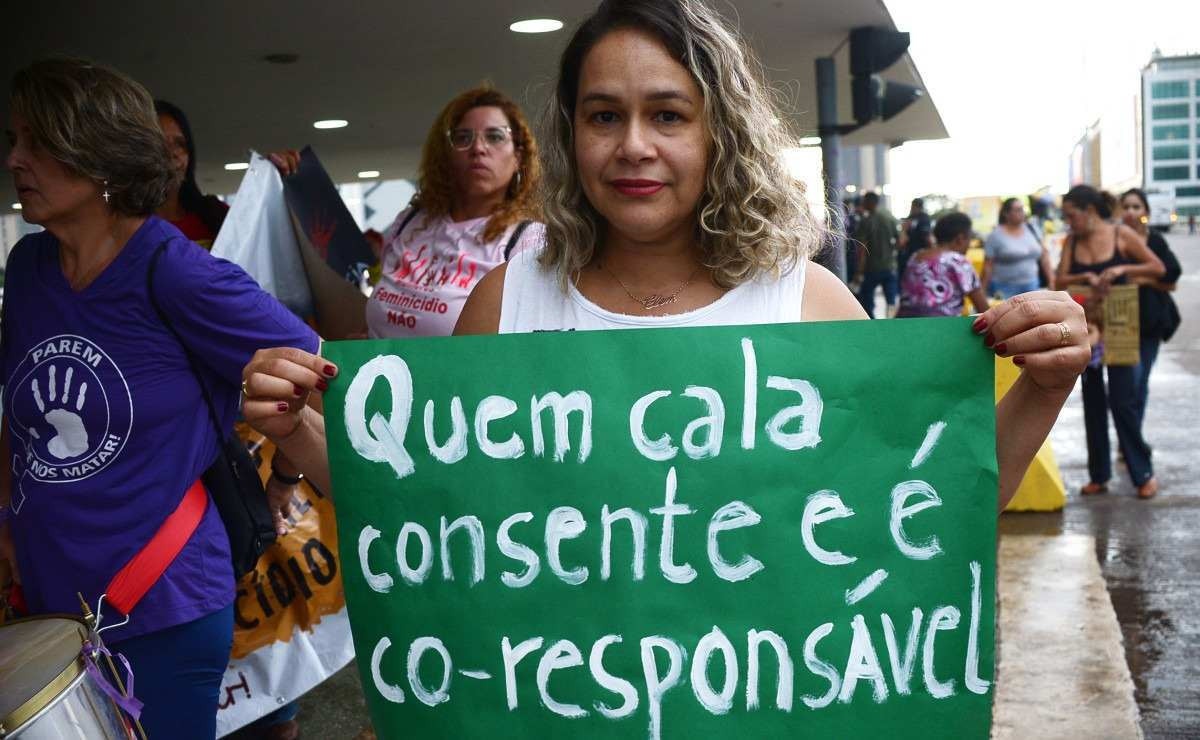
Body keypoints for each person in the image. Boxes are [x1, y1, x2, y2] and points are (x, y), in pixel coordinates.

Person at [239, 0, 1088, 519]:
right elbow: (441, 514)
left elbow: (929, 511)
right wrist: (306, 440)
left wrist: (1044, 388)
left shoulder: (809, 305)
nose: (634, 146)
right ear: (572, 135)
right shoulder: (510, 303)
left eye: (669, 115)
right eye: (604, 115)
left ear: (720, 131)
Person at [0, 58, 317, 738]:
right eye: (13, 140)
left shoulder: (174, 270)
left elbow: (318, 373)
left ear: (98, 154)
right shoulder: (27, 268)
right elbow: (20, 421)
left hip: (162, 603)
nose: (14, 160)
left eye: (35, 141)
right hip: (50, 602)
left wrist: (285, 475)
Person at [269, 85, 544, 339]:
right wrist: (293, 181)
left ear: (519, 156)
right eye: (463, 137)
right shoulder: (411, 221)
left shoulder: (527, 238)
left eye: (495, 136)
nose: (478, 148)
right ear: (447, 155)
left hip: (458, 390)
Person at [1055, 185, 1165, 499]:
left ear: (1088, 211)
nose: (1069, 222)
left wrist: (1122, 268)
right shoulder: (1072, 242)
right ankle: (1099, 474)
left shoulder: (1121, 235)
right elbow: (1058, 280)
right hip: (1087, 324)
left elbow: (1157, 267)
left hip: (1120, 323)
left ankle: (1142, 472)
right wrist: (1086, 279)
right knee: (1091, 401)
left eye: (1071, 215)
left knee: (1123, 400)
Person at [1119, 188, 1182, 425]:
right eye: (1126, 207)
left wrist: (1143, 280)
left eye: (1136, 206)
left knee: (1140, 382)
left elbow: (1172, 277)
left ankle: (1133, 437)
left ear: (1146, 211)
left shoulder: (1155, 240)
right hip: (1119, 323)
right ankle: (1130, 437)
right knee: (1125, 386)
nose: (1131, 212)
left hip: (1150, 320)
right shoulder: (1113, 240)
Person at [155, 99, 229, 249]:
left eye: (180, 144)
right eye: (160, 144)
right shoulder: (122, 224)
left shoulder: (216, 214)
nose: (173, 153)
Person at [896, 211, 988, 318]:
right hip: (942, 330)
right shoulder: (958, 262)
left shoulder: (915, 257)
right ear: (960, 238)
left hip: (905, 327)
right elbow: (984, 310)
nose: (969, 245)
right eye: (969, 239)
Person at [982, 197, 1053, 298]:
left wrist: (1051, 280)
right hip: (1005, 287)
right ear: (1006, 214)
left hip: (1032, 285)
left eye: (1022, 209)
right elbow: (988, 266)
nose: (1022, 212)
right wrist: (983, 290)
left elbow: (1044, 256)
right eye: (1018, 210)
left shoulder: (1032, 228)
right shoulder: (995, 235)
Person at [851, 190, 899, 318]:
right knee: (891, 299)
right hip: (890, 266)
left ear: (868, 202)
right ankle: (891, 323)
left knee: (867, 299)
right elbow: (901, 240)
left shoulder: (866, 221)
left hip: (872, 267)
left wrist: (859, 271)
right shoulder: (889, 217)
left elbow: (862, 248)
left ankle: (873, 325)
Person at [896, 197, 931, 283]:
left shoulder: (920, 218)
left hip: (913, 257)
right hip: (913, 257)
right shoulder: (918, 218)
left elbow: (927, 238)